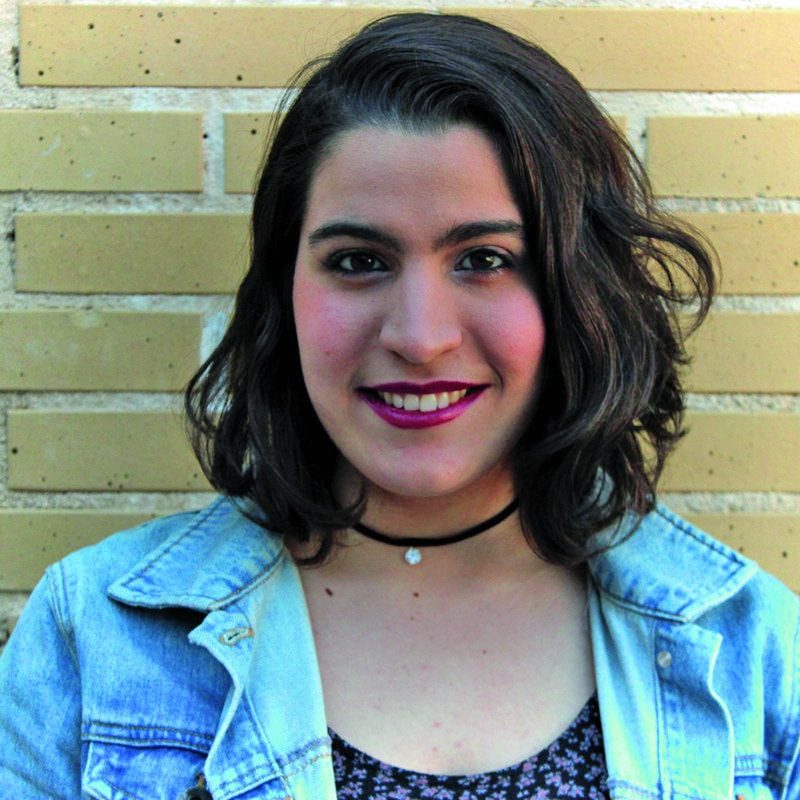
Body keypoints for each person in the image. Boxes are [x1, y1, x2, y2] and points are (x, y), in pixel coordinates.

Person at [1, 12, 797, 800]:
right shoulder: (97, 637)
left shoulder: (752, 649)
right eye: (358, 261)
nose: (420, 337)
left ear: (579, 294)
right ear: (286, 292)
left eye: (485, 259)